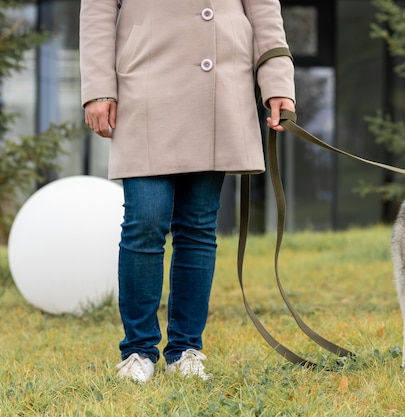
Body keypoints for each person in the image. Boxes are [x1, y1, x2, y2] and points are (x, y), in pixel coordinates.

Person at [79, 0, 295, 383]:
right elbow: (96, 9)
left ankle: (186, 349)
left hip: (218, 82)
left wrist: (277, 82)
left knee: (197, 225)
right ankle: (138, 350)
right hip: (144, 78)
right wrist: (98, 87)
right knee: (145, 220)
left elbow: (263, 8)